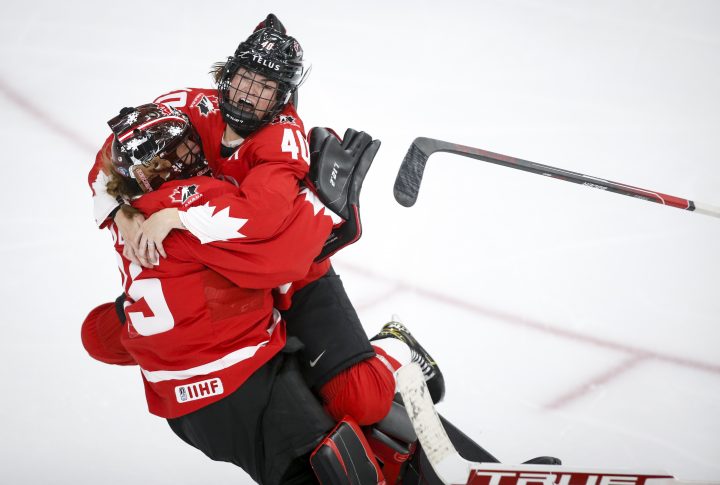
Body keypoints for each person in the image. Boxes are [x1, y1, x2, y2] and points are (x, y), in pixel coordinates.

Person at [86, 12, 445, 426]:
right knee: (99, 337)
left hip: (290, 269)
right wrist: (121, 210)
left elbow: (261, 221)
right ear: (227, 72)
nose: (247, 95)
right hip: (218, 271)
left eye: (265, 88)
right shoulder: (188, 104)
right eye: (244, 79)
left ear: (283, 97)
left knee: (361, 402)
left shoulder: (282, 137)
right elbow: (113, 156)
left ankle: (395, 345)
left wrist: (174, 216)